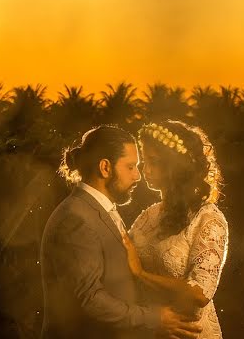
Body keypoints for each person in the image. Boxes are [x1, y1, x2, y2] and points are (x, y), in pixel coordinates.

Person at [40, 125, 202, 339]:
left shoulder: (99, 209)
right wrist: (154, 319)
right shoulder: (75, 218)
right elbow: (90, 299)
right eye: (130, 167)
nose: (137, 176)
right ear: (105, 168)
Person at [123, 121, 229, 338]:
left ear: (176, 165)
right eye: (145, 161)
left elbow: (199, 295)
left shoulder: (208, 219)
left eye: (155, 162)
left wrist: (141, 274)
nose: (145, 170)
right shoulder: (148, 216)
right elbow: (124, 256)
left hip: (190, 333)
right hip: (154, 329)